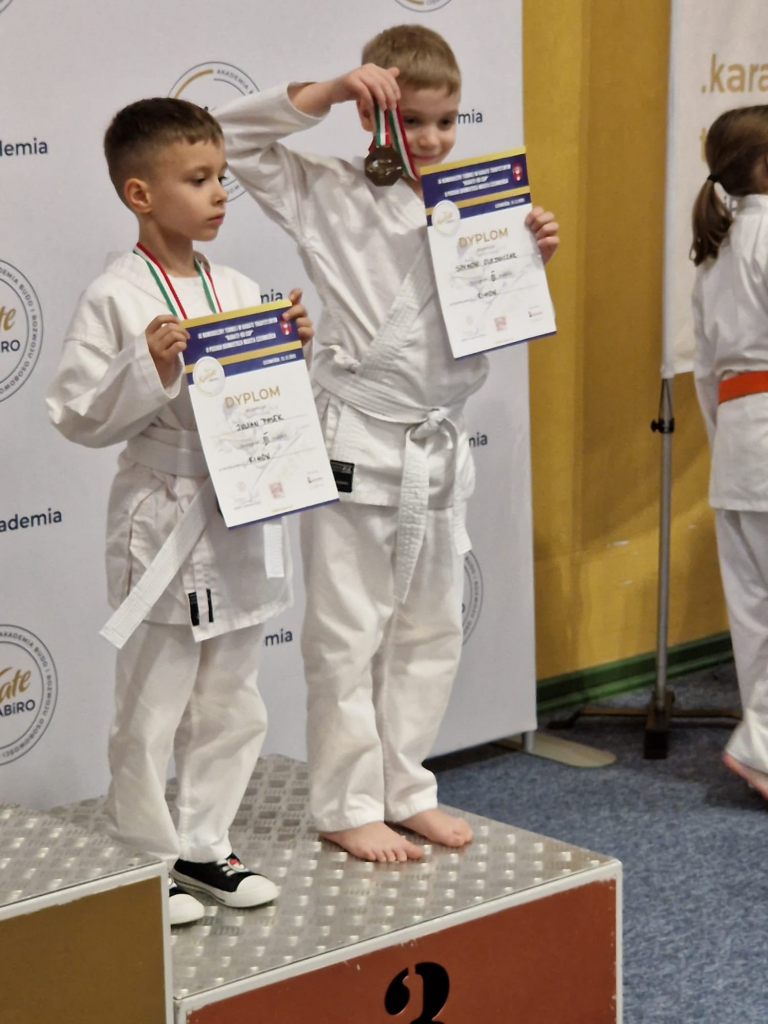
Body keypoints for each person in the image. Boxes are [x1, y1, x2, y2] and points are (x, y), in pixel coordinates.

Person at [216, 24, 559, 863]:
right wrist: (330, 89)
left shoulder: (477, 208)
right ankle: (343, 802)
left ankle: (407, 786)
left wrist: (523, 260)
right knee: (346, 632)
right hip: (356, 440)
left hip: (437, 446)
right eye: (415, 121)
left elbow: (471, 331)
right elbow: (226, 137)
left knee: (429, 628)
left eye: (449, 121)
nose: (434, 139)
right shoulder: (326, 189)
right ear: (375, 115)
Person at [47, 98, 314, 924]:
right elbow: (77, 413)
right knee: (152, 701)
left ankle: (206, 844)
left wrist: (286, 351)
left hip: (237, 514)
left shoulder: (235, 287)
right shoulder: (116, 296)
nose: (218, 194)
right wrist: (148, 362)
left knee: (234, 694)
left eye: (221, 177)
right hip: (164, 515)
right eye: (197, 180)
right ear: (140, 193)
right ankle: (146, 858)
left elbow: (259, 407)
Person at [692, 104, 768, 800]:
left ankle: (764, 745)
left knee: (753, 610)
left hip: (742, 439)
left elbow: (705, 374)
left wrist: (726, 444)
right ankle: (759, 745)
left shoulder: (715, 252)